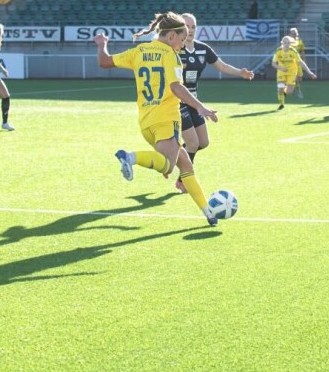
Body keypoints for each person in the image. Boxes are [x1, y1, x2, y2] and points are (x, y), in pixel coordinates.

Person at [94, 12, 222, 226]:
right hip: (166, 120)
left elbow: (105, 62)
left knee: (185, 165)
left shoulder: (139, 51)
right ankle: (130, 157)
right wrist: (201, 107)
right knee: (167, 168)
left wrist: (101, 44)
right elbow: (175, 86)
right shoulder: (170, 55)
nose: (182, 45)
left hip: (146, 122)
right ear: (171, 36)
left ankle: (208, 212)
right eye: (182, 39)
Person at [175, 13, 255, 192]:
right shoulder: (173, 50)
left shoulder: (203, 49)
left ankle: (175, 155)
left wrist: (240, 73)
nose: (190, 30)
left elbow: (222, 66)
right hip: (176, 102)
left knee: (203, 142)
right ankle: (183, 181)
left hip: (194, 102)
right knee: (193, 143)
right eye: (186, 26)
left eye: (193, 26)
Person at [273, 35, 316, 111]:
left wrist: (310, 72)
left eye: (288, 43)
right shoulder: (278, 51)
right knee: (280, 88)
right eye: (285, 43)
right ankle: (281, 104)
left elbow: (301, 62)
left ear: (290, 44)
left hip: (292, 71)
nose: (286, 44)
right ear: (282, 43)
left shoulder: (293, 51)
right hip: (281, 71)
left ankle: (285, 91)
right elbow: (273, 64)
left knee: (289, 91)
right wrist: (281, 68)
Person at [288, 27, 306, 99]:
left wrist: (304, 60)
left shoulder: (300, 41)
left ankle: (293, 88)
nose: (293, 35)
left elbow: (302, 51)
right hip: (291, 62)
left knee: (300, 78)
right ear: (290, 34)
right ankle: (299, 91)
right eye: (292, 33)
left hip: (299, 61)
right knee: (295, 77)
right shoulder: (287, 41)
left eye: (295, 33)